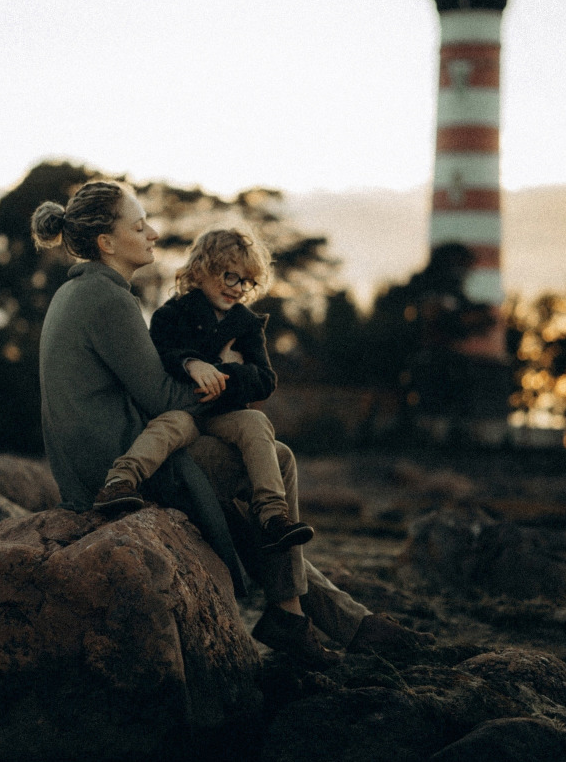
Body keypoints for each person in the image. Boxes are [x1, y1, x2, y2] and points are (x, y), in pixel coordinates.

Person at [32, 180, 431, 670]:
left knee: (259, 512)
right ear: (106, 243)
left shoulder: (77, 291)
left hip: (93, 460)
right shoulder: (109, 300)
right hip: (120, 466)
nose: (154, 233)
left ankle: (343, 622)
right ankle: (302, 618)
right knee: (275, 462)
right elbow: (161, 396)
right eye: (139, 226)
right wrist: (222, 373)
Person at [93, 228, 315, 555]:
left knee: (256, 422)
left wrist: (225, 372)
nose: (239, 289)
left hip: (227, 414)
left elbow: (265, 380)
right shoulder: (172, 314)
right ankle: (120, 483)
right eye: (231, 277)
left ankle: (271, 514)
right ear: (203, 269)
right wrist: (193, 364)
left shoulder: (248, 324)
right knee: (169, 426)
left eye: (247, 282)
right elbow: (161, 357)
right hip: (185, 408)